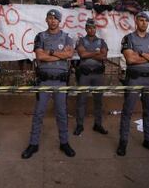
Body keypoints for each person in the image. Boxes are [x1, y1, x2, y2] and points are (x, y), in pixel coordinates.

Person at [21, 9, 76, 159]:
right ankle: (33, 143)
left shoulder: (66, 37)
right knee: (38, 113)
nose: (52, 21)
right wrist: (59, 55)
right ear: (46, 20)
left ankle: (64, 142)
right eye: (50, 18)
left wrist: (49, 53)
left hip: (60, 81)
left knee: (62, 114)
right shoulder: (40, 36)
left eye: (55, 18)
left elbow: (69, 54)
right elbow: (39, 56)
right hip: (44, 81)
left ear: (60, 21)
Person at [116, 12, 149, 156]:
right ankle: (123, 141)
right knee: (127, 111)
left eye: (146, 21)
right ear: (136, 22)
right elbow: (130, 60)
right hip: (134, 79)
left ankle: (148, 139)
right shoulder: (129, 38)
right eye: (141, 20)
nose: (143, 23)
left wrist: (141, 54)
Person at [73, 18, 109, 136]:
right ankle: (79, 125)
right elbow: (82, 54)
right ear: (86, 28)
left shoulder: (102, 41)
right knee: (81, 100)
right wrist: (96, 53)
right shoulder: (81, 41)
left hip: (98, 74)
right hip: (85, 74)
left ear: (96, 28)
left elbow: (104, 57)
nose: (91, 29)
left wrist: (89, 53)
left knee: (98, 101)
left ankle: (98, 124)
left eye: (93, 27)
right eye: (89, 27)